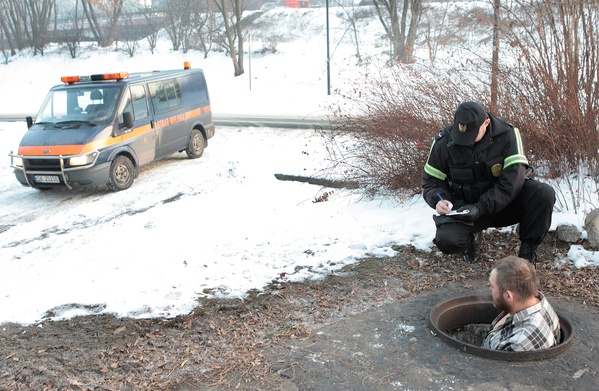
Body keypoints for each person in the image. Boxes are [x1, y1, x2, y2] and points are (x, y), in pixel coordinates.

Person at [422, 101, 555, 263]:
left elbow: (511, 183)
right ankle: (470, 240)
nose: (466, 141)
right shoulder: (443, 141)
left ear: (486, 123)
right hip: (466, 208)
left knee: (543, 193)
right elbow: (431, 182)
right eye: (462, 135)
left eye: (471, 135)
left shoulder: (508, 134)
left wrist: (480, 207)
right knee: (447, 241)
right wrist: (439, 200)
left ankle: (528, 251)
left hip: (505, 204)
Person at [482, 256, 560, 351]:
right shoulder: (538, 303)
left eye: (492, 286)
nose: (490, 289)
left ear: (508, 296)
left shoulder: (518, 343)